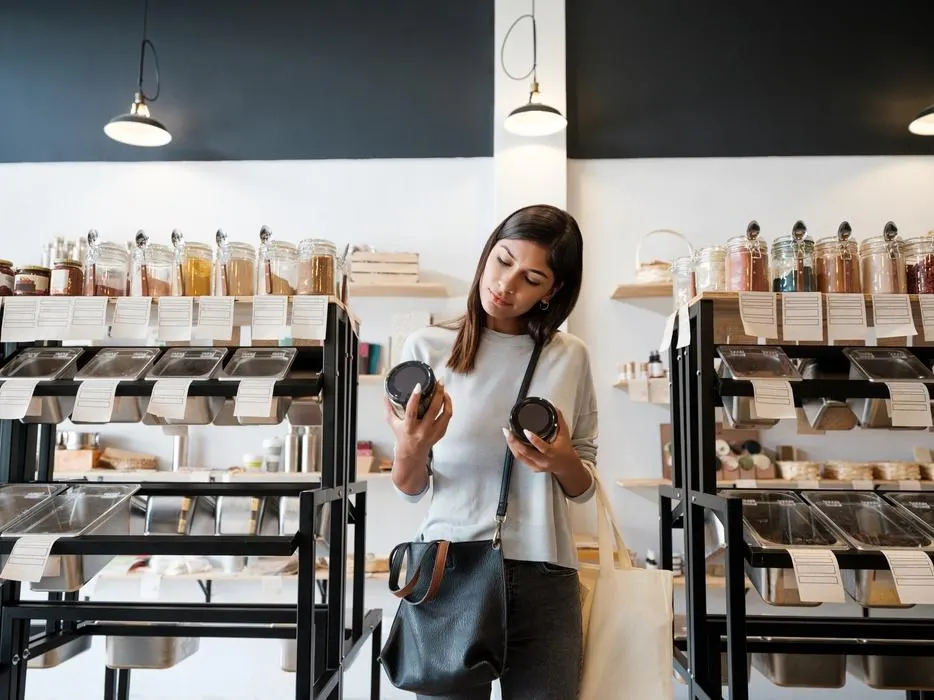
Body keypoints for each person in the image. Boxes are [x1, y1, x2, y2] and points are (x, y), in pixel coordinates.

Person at [384, 204, 598, 700]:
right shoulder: (427, 348)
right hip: (447, 568)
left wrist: (561, 459)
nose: (506, 285)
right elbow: (411, 487)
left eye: (532, 278)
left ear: (554, 291)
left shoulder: (570, 357)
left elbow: (584, 487)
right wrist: (411, 447)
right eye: (502, 261)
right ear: (487, 254)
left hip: (545, 577)